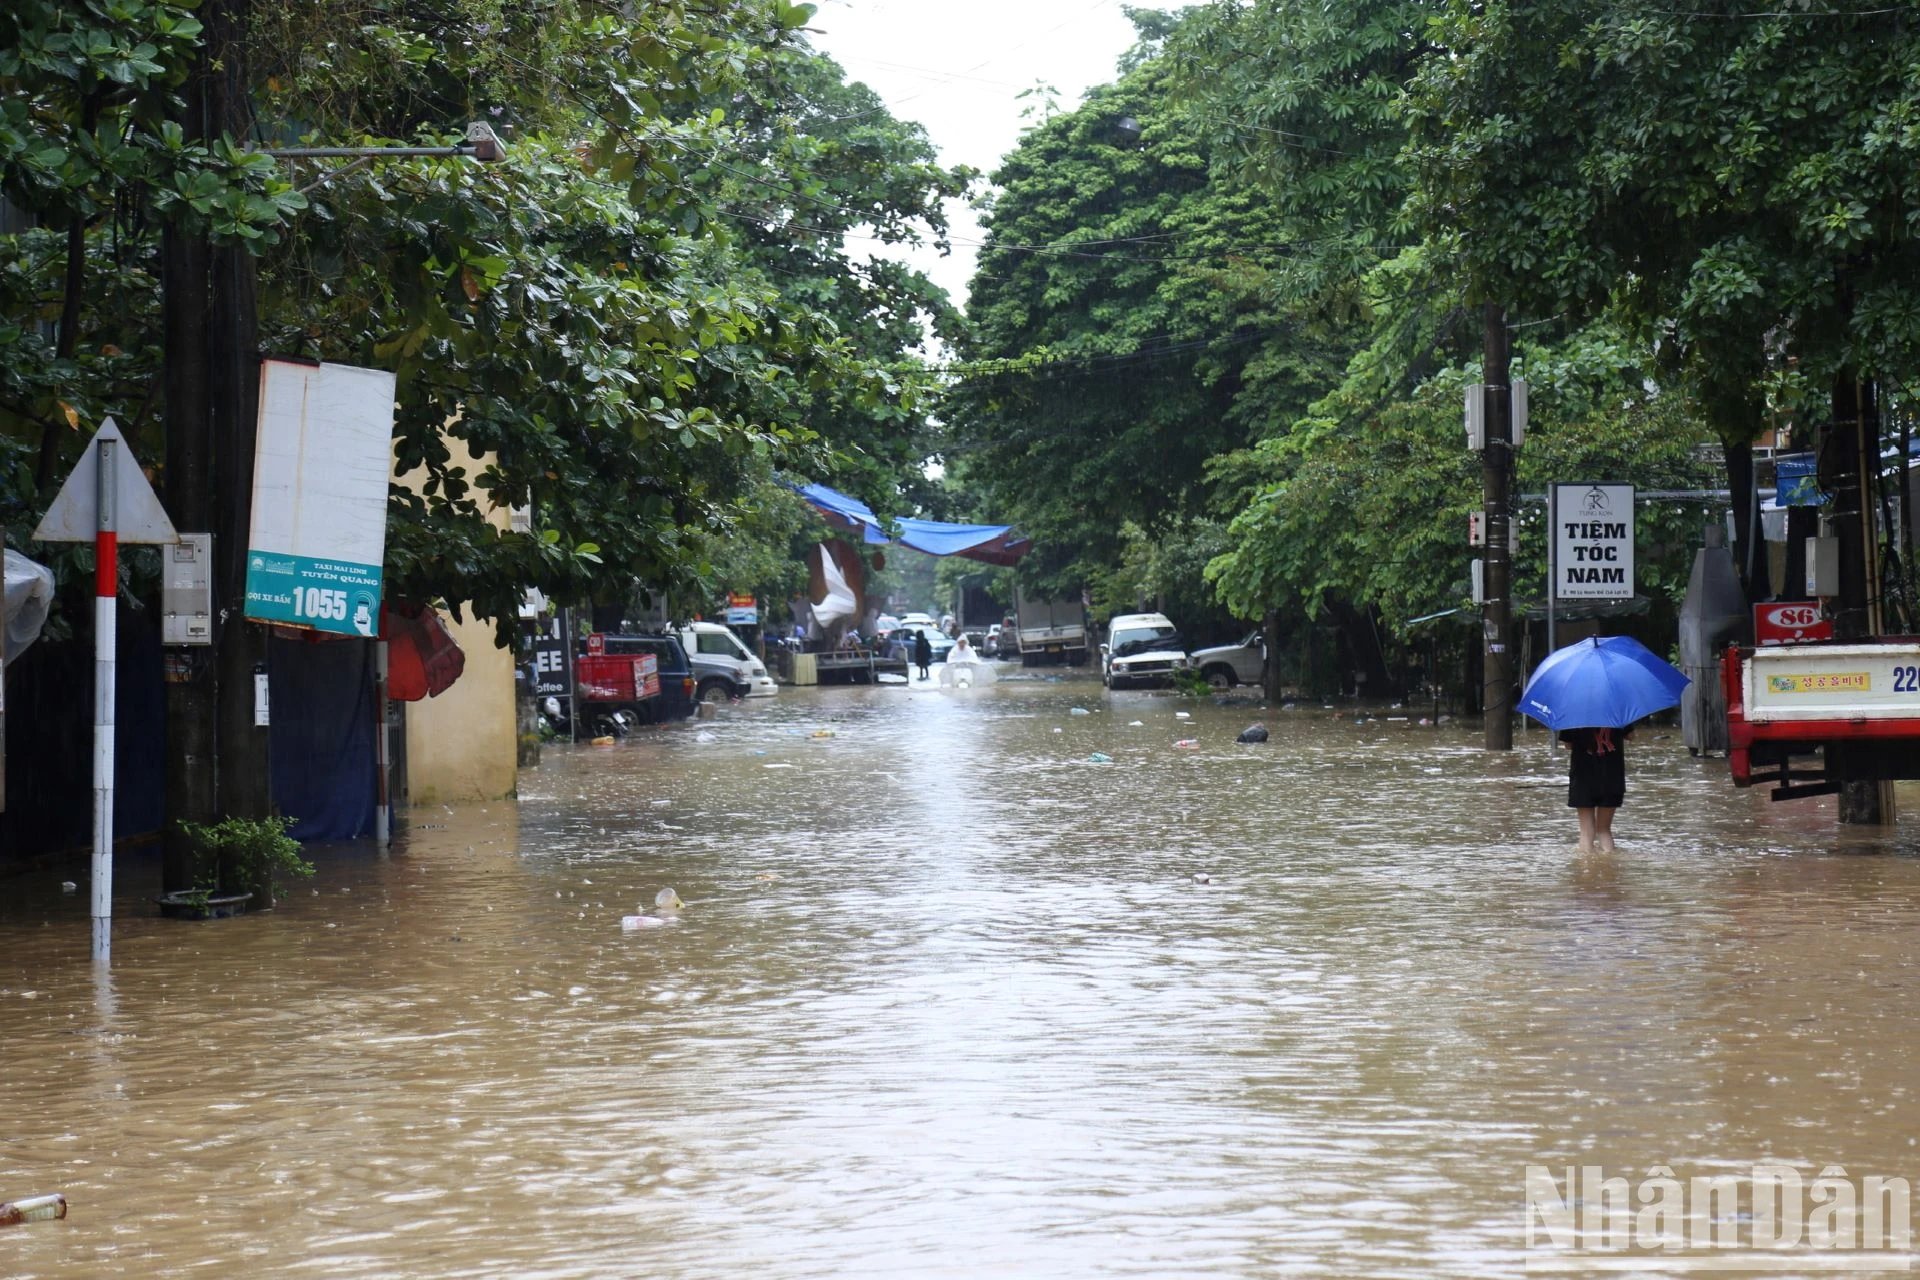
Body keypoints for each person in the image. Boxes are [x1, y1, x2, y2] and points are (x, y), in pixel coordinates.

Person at [1561, 725, 1630, 853]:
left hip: (1583, 778)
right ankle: (1609, 864)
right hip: (1612, 778)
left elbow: (1567, 745)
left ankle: (1587, 869)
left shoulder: (1573, 714)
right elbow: (1631, 736)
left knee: (1587, 833)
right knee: (1604, 830)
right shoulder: (1617, 709)